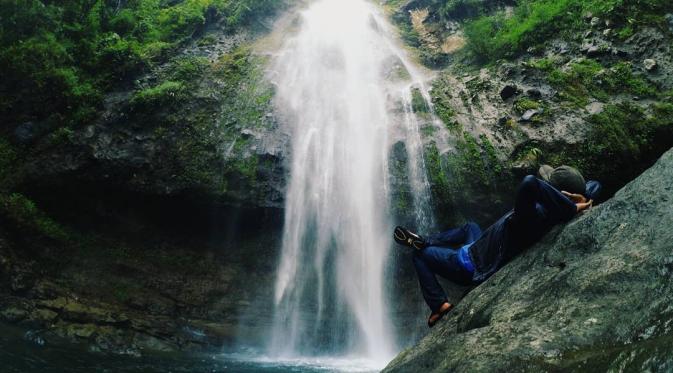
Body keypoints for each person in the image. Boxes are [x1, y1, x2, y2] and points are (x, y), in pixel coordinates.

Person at [394, 165, 602, 327]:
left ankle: (439, 304)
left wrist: (572, 208)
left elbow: (530, 183)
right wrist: (581, 201)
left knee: (419, 255)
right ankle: (425, 239)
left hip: (471, 264)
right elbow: (595, 184)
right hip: (480, 245)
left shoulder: (533, 215)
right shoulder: (553, 208)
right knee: (470, 227)